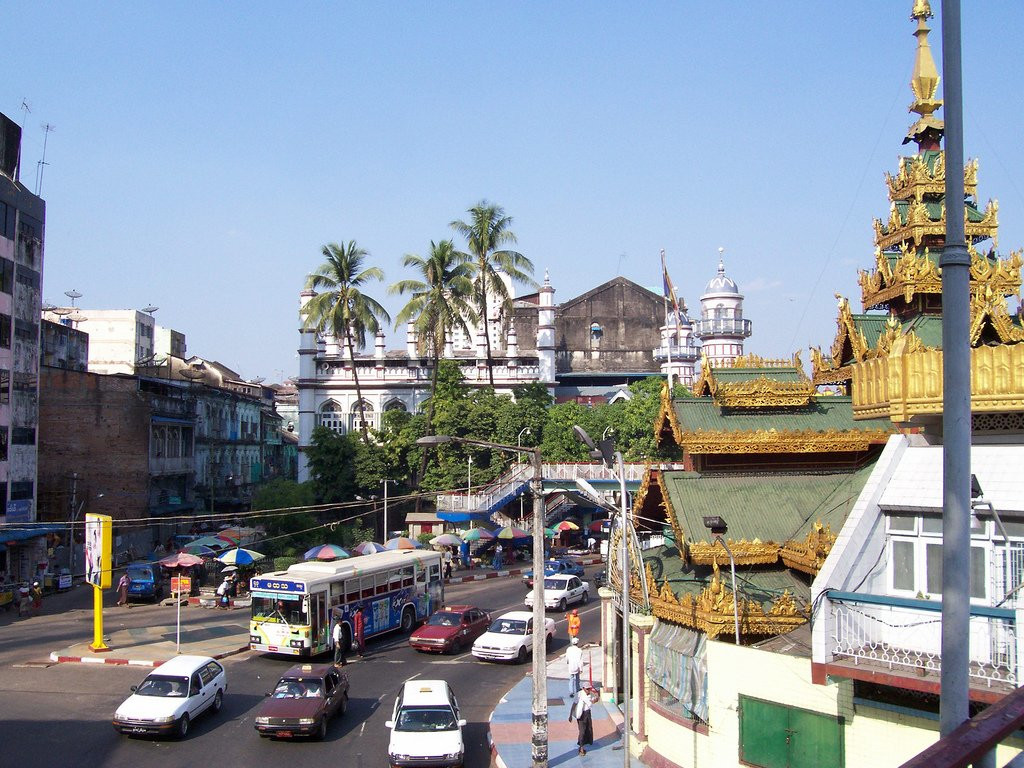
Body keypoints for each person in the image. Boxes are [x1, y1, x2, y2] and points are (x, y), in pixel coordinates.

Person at [569, 686, 597, 756]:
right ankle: (581, 747)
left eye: (589, 689)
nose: (588, 690)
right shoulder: (579, 695)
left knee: (589, 729)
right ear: (583, 688)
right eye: (587, 689)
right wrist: (570, 715)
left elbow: (594, 701)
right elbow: (574, 704)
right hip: (581, 715)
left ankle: (583, 742)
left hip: (588, 713)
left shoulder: (590, 694)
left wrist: (596, 697)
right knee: (582, 731)